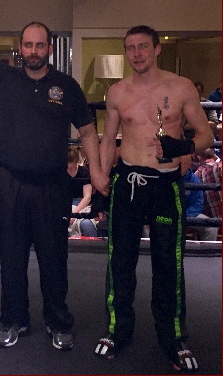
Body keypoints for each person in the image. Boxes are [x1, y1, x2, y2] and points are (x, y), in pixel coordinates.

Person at [0, 0, 109, 351]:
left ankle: (58, 321)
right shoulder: (3, 77)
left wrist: (96, 172)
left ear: (50, 48)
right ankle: (13, 320)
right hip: (12, 183)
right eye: (29, 45)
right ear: (21, 47)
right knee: (11, 259)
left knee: (55, 259)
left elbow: (88, 130)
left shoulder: (66, 86)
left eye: (40, 45)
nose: (34, 51)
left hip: (52, 186)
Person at [95, 25, 214, 371]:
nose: (137, 54)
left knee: (168, 263)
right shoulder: (117, 92)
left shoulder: (181, 87)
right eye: (130, 48)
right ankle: (117, 330)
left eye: (143, 46)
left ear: (157, 49)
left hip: (165, 185)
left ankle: (173, 337)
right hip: (128, 183)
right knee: (120, 261)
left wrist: (184, 147)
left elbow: (206, 135)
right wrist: (100, 174)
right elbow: (109, 138)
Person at [180, 154, 218, 241]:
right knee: (151, 222)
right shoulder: (166, 178)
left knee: (212, 227)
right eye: (179, 162)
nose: (181, 165)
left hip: (189, 215)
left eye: (184, 163)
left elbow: (197, 205)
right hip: (169, 214)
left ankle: (207, 250)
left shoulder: (195, 179)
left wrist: (184, 215)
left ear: (190, 164)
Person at [67, 145, 97, 237]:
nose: (69, 169)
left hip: (82, 206)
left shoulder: (84, 172)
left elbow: (87, 197)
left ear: (76, 161)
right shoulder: (60, 174)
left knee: (87, 225)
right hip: (65, 204)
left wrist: (74, 213)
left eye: (71, 166)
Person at [195, 147, 222, 219]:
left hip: (212, 222)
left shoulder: (195, 176)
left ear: (199, 158)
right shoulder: (219, 166)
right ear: (214, 156)